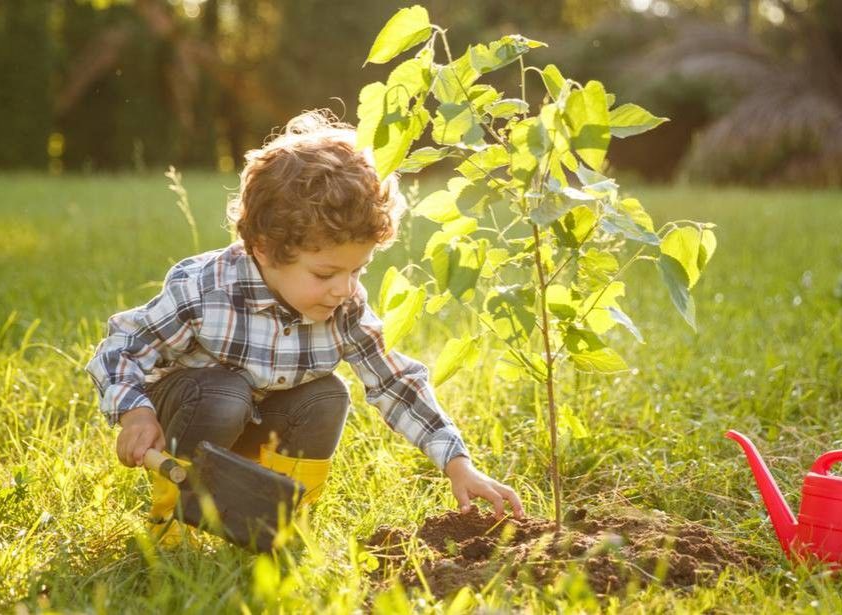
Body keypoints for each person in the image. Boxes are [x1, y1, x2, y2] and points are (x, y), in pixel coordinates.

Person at [86, 110, 523, 538]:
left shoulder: (345, 307)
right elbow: (122, 346)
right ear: (263, 248)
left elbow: (395, 382)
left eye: (358, 271)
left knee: (326, 395)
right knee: (225, 393)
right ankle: (177, 521)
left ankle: (273, 520)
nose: (345, 289)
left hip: (259, 425)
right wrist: (136, 413)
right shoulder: (206, 291)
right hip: (195, 415)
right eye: (325, 274)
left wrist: (457, 462)